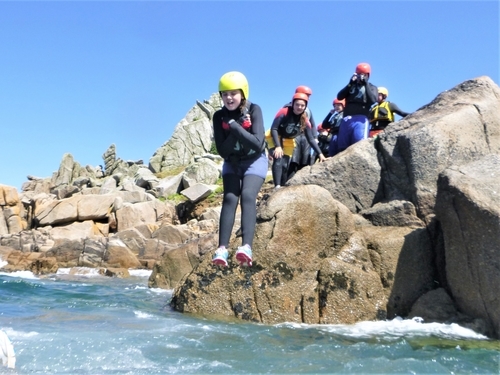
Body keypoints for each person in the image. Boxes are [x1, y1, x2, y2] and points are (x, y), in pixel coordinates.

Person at [211, 71, 268, 268]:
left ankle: (246, 247)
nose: (228, 98)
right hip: (232, 162)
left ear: (243, 93)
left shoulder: (254, 110)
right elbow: (222, 150)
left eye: (233, 93)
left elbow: (258, 144)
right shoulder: (218, 116)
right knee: (229, 198)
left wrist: (235, 128)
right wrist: (238, 132)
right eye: (225, 94)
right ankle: (222, 249)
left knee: (248, 195)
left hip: (255, 160)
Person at [271, 92, 326, 188]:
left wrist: (320, 154)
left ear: (305, 107)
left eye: (302, 105)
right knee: (278, 158)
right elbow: (274, 129)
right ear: (292, 104)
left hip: (288, 139)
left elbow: (311, 139)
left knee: (285, 163)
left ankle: (283, 185)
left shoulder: (304, 119)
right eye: (297, 104)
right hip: (275, 135)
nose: (299, 107)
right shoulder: (284, 112)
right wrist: (278, 146)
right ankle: (277, 186)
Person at [334, 62, 378, 155]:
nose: (360, 77)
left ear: (367, 75)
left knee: (360, 145)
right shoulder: (352, 86)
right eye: (358, 74)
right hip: (347, 119)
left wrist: (365, 83)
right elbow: (339, 97)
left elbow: (373, 100)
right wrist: (350, 83)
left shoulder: (372, 87)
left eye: (363, 75)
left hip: (361, 119)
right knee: (342, 147)